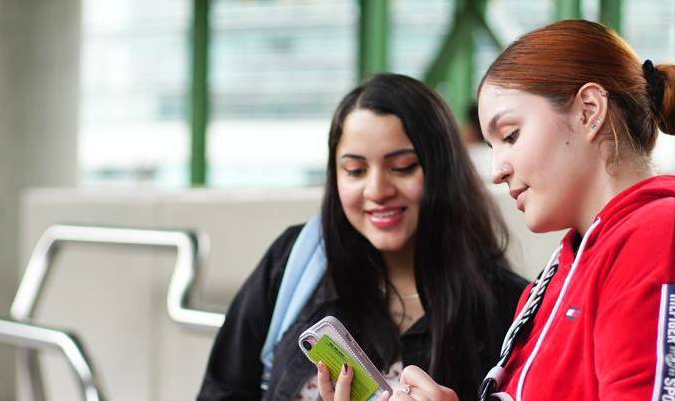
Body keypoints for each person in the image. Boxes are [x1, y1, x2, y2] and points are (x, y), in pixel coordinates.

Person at [321, 20, 675, 401]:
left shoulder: (668, 238)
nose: (498, 168)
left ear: (589, 111)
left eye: (511, 134)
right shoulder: (568, 266)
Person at [197, 74, 528, 401]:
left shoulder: (510, 310)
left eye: (402, 167)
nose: (377, 191)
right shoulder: (294, 263)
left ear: (443, 171)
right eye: (355, 171)